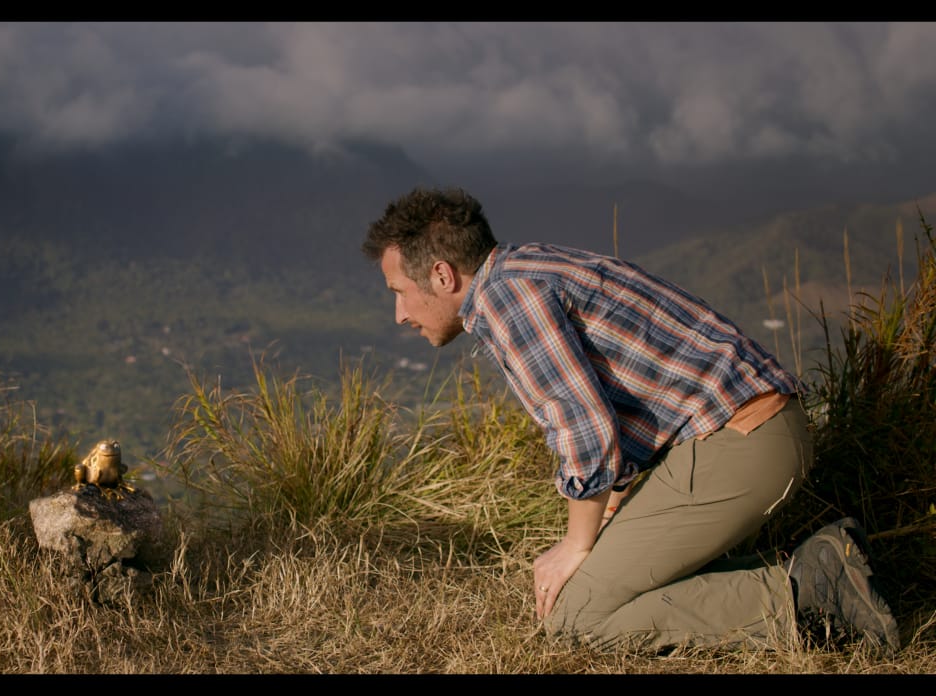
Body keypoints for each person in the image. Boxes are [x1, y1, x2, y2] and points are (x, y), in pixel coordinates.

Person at [361, 185, 901, 654]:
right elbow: (622, 410)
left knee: (577, 615)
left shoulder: (507, 299)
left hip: (738, 442)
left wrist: (576, 544)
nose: (400, 314)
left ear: (442, 274)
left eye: (399, 293)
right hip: (752, 433)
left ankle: (810, 595)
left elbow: (584, 426)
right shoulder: (527, 269)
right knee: (604, 580)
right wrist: (612, 510)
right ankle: (822, 563)